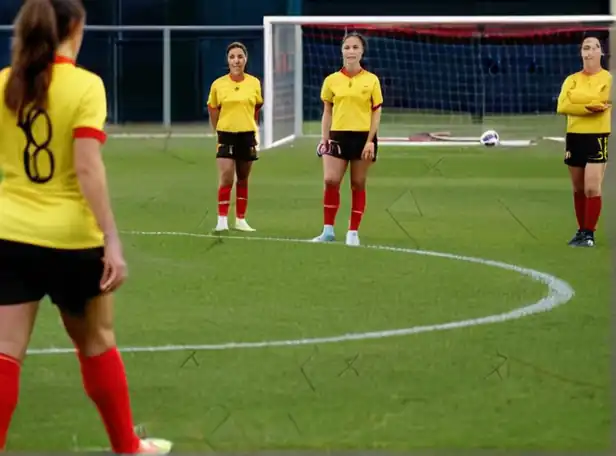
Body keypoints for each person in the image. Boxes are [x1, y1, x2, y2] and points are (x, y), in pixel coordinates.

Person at [0, 0, 172, 453]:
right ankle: (127, 448)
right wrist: (112, 239)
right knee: (97, 343)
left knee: (4, 353)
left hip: (9, 235)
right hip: (72, 242)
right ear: (74, 27)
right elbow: (87, 168)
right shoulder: (85, 86)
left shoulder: (4, 83)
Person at [311, 32, 383, 246]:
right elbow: (328, 111)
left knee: (358, 183)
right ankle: (328, 231)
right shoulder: (331, 80)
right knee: (330, 181)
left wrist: (370, 140)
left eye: (355, 47)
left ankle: (353, 232)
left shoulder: (371, 80)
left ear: (362, 51)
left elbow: (376, 112)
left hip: (363, 138)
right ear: (341, 50)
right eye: (347, 47)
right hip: (337, 136)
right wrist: (324, 138)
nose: (350, 51)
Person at [556, 35, 611, 247]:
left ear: (601, 52)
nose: (589, 51)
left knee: (591, 188)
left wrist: (578, 101)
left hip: (597, 136)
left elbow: (603, 104)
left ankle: (589, 234)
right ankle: (581, 231)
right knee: (578, 189)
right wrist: (589, 106)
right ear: (581, 53)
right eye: (585, 48)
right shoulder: (571, 79)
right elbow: (562, 107)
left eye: (594, 47)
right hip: (574, 136)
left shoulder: (608, 79)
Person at [207, 42, 263, 233]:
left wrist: (252, 127)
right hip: (226, 134)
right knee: (226, 177)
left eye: (240, 56)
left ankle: (241, 219)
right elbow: (213, 109)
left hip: (247, 135)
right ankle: (222, 219)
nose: (236, 60)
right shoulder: (218, 84)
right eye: (232, 57)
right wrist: (219, 130)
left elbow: (256, 108)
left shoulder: (254, 83)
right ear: (228, 60)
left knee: (243, 178)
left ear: (245, 59)